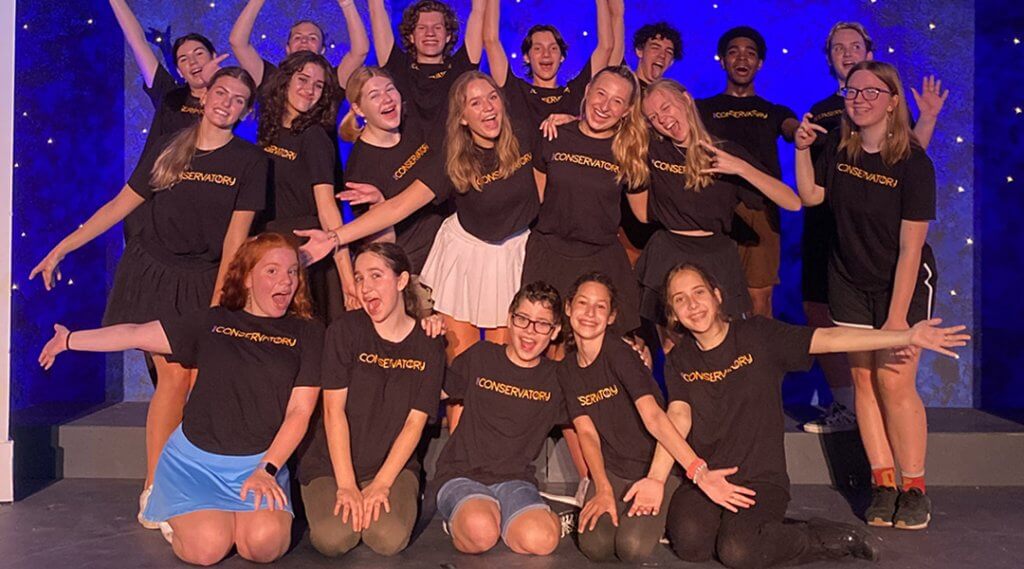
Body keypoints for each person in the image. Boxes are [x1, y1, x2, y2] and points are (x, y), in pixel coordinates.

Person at [30, 67, 267, 531]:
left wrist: (220, 306)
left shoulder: (251, 161)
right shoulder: (169, 145)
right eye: (221, 93)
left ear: (245, 109)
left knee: (200, 383)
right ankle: (154, 490)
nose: (227, 103)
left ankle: (189, 480)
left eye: (238, 99)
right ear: (206, 97)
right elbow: (121, 203)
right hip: (155, 275)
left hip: (205, 279)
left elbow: (237, 241)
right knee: (175, 379)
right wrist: (62, 247)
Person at [38, 233, 325, 565]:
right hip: (196, 465)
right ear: (247, 277)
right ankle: (176, 510)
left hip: (259, 464)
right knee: (208, 549)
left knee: (262, 547)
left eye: (292, 272)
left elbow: (300, 412)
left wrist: (266, 469)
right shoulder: (213, 322)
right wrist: (70, 340)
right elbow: (134, 333)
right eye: (272, 271)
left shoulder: (308, 333)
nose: (286, 281)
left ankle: (230, 517)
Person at [659, 263, 968, 567]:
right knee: (690, 544)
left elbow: (830, 339)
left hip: (760, 479)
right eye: (680, 299)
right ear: (673, 313)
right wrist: (683, 475)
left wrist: (905, 337)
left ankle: (822, 537)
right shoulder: (679, 360)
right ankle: (763, 529)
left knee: (738, 551)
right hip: (706, 477)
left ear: (717, 296)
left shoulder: (757, 334)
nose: (692, 304)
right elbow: (676, 418)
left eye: (699, 292)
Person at [298, 71, 540, 364]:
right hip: (466, 257)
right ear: (462, 117)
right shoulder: (452, 159)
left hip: (514, 254)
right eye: (475, 103)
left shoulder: (525, 135)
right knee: (460, 362)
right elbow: (398, 208)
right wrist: (335, 238)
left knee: (506, 359)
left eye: (492, 98)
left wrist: (564, 120)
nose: (487, 107)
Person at [795, 60, 942, 530]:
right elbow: (811, 197)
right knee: (862, 382)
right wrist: (801, 151)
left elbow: (910, 248)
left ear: (893, 101)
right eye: (851, 91)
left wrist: (897, 320)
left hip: (901, 282)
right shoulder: (840, 148)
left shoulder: (914, 162)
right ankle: (883, 482)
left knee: (895, 383)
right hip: (848, 280)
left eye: (869, 92)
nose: (858, 99)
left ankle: (914, 486)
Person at [801, 22, 949, 434]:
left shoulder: (882, 101)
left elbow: (904, 162)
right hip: (830, 229)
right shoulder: (824, 112)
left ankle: (903, 467)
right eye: (837, 48)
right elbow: (812, 187)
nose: (846, 53)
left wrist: (930, 118)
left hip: (875, 237)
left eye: (854, 46)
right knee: (823, 317)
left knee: (891, 375)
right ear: (829, 57)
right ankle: (845, 405)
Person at [558, 272, 757, 562]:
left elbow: (654, 417)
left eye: (600, 306)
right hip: (614, 470)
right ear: (568, 308)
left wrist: (697, 471)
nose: (590, 313)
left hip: (653, 466)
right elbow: (586, 433)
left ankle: (666, 508)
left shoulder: (621, 354)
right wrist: (601, 487)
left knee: (632, 547)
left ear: (612, 316)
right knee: (595, 546)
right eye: (583, 303)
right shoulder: (566, 369)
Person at [298, 243, 446, 557]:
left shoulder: (428, 343)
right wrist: (347, 484)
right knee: (334, 538)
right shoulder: (344, 331)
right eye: (359, 278)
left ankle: (391, 494)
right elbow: (333, 411)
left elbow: (414, 422)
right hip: (332, 463)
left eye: (376, 276)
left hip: (391, 464)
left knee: (387, 538)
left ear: (401, 280)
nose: (365, 288)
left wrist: (381, 483)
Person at [633, 79, 800, 350]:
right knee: (674, 349)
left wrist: (742, 168)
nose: (662, 119)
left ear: (686, 99)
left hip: (716, 255)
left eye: (666, 107)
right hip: (669, 252)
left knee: (721, 346)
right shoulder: (654, 149)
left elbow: (792, 202)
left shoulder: (725, 153)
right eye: (653, 117)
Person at [434, 281, 566, 556]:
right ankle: (464, 519)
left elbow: (599, 400)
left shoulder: (557, 378)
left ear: (554, 332)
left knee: (542, 540)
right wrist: (424, 339)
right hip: (462, 474)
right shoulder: (481, 356)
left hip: (514, 480)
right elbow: (429, 390)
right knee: (481, 532)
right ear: (509, 319)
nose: (530, 331)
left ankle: (517, 515)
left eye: (542, 324)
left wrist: (635, 356)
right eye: (523, 319)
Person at [524, 64, 647, 338]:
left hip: (601, 259)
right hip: (549, 255)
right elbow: (540, 198)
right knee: (543, 341)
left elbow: (644, 214)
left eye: (617, 101)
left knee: (606, 349)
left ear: (627, 110)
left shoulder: (630, 151)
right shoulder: (553, 135)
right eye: (601, 94)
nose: (605, 106)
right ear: (588, 91)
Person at [697, 26, 799, 318]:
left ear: (760, 63)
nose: (742, 58)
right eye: (734, 52)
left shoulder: (774, 111)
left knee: (760, 300)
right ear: (722, 61)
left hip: (761, 212)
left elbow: (791, 129)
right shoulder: (702, 108)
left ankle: (762, 362)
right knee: (713, 297)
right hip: (715, 211)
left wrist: (800, 132)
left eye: (750, 53)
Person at [257, 50, 351, 323]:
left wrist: (346, 274)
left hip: (305, 248)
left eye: (319, 85)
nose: (309, 90)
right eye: (303, 79)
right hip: (269, 245)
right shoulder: (267, 130)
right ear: (285, 80)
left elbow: (327, 206)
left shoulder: (315, 137)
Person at [337, 66, 446, 279]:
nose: (386, 99)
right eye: (374, 95)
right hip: (418, 271)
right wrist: (379, 203)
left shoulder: (414, 124)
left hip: (449, 249)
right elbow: (383, 248)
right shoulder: (360, 170)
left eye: (390, 89)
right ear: (359, 109)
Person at [482, 0, 615, 129]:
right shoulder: (516, 90)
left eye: (553, 48)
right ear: (527, 57)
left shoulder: (577, 92)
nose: (546, 54)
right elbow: (491, 40)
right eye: (538, 48)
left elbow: (606, 46)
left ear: (562, 57)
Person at [369, 0, 484, 128]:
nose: (430, 33)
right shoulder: (398, 66)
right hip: (404, 148)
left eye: (437, 27)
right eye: (422, 28)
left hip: (455, 148)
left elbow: (479, 12)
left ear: (448, 36)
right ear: (411, 36)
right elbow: (376, 9)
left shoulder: (461, 67)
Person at [229, 0, 369, 93]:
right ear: (287, 48)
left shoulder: (331, 80)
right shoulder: (269, 77)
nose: (304, 41)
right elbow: (238, 42)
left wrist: (347, 4)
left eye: (312, 38)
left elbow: (360, 51)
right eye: (298, 37)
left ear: (322, 50)